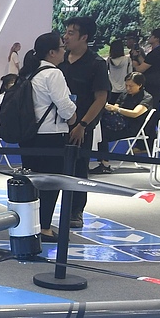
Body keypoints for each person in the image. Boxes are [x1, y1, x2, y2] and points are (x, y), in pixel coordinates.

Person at [15, 34, 78, 240]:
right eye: (61, 47)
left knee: (32, 182)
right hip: (50, 135)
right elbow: (65, 105)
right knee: (50, 184)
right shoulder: (53, 73)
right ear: (52, 52)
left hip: (28, 135)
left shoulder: (29, 72)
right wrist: (73, 117)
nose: (64, 50)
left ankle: (31, 225)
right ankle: (44, 227)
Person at [57, 16, 110, 217]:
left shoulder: (95, 63)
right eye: (66, 32)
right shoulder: (60, 60)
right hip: (55, 125)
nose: (66, 37)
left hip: (80, 127)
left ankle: (76, 211)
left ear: (84, 37)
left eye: (71, 33)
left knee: (78, 170)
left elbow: (100, 98)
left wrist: (83, 124)